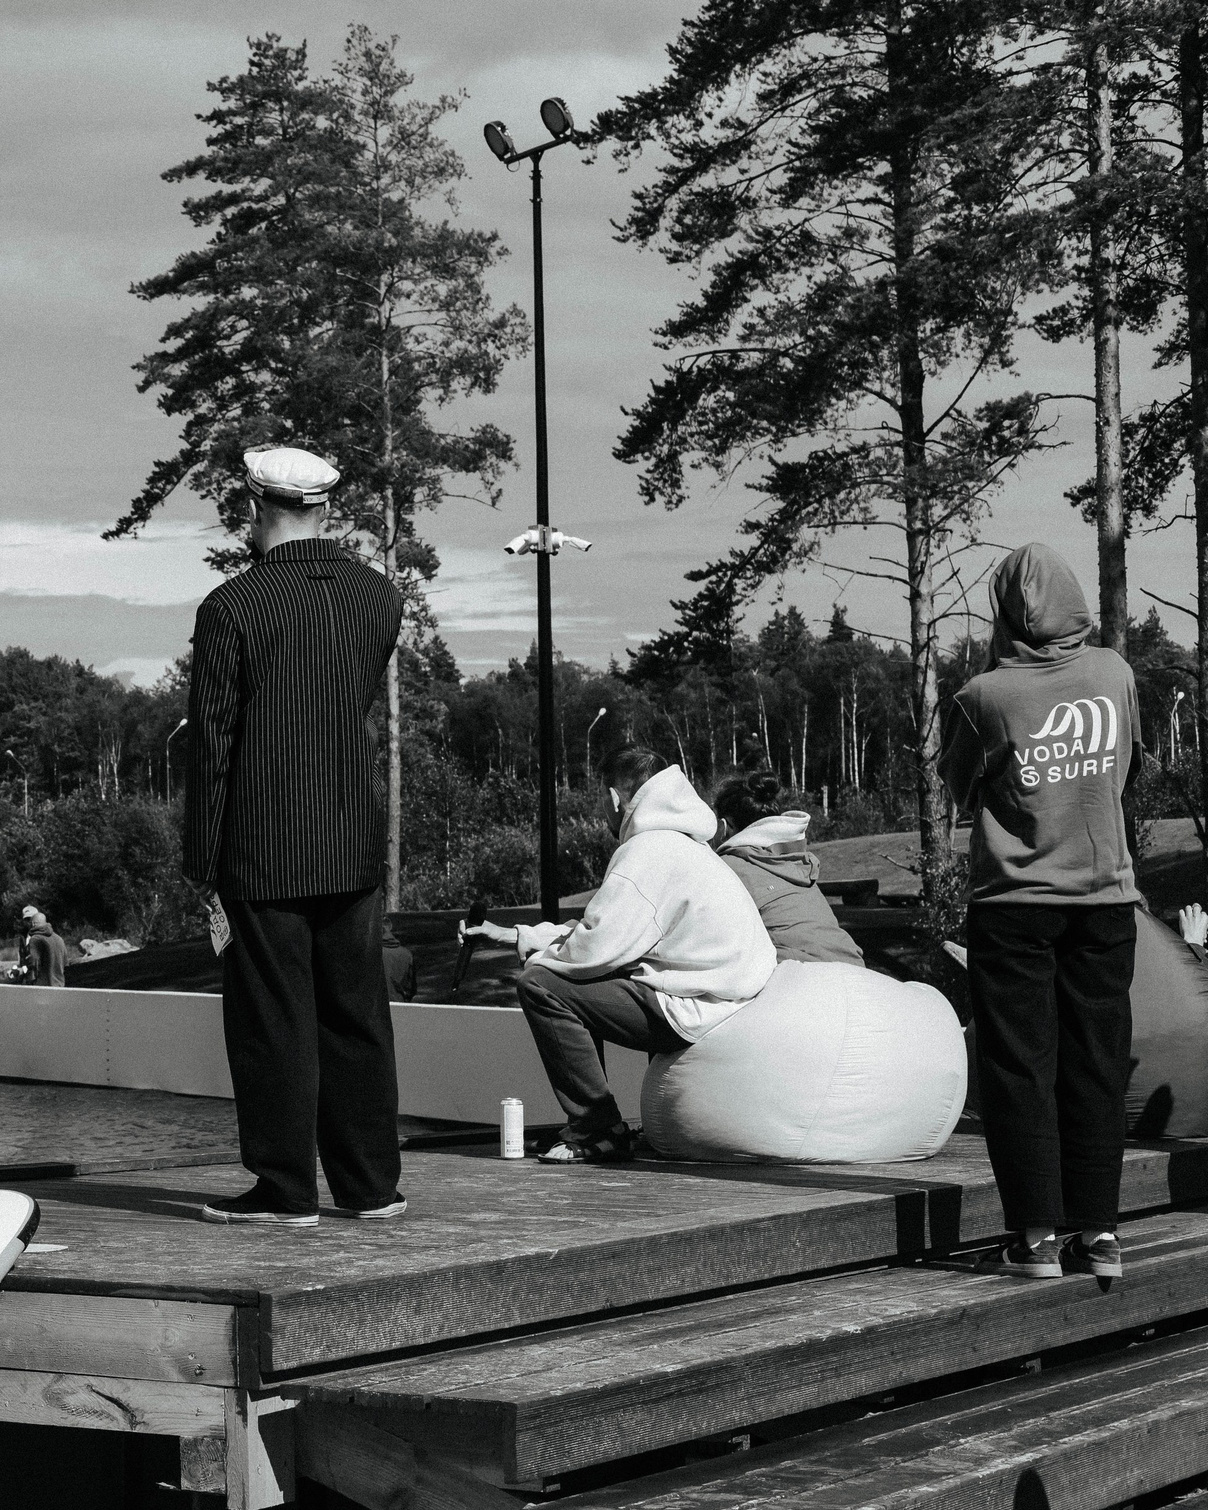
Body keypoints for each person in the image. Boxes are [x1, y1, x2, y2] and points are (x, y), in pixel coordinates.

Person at [184, 444, 405, 1226]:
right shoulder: (379, 597)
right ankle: (371, 1185)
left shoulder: (231, 608)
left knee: (274, 1023)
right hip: (351, 843)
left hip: (263, 848)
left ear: (254, 506)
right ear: (326, 508)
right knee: (357, 1015)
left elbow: (212, 747)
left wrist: (200, 862)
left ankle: (284, 1190)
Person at [938, 542, 1140, 1281]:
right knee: (1097, 1064)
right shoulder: (1115, 673)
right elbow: (1127, 770)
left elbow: (959, 788)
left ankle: (1035, 1239)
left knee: (1021, 1068)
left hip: (1014, 905)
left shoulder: (985, 695)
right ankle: (1102, 1234)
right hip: (1104, 896)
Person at [462, 749, 776, 1163]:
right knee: (564, 975)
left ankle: (596, 1127)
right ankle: (597, 1126)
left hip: (699, 1008)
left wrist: (536, 961)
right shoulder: (685, 845)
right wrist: (515, 936)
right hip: (730, 996)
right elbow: (605, 932)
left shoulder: (647, 851)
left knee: (541, 986)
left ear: (614, 799)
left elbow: (593, 950)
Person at [710, 770, 865, 967]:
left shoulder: (725, 867)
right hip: (855, 968)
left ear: (723, 827)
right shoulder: (797, 864)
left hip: (801, 982)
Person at [14, 907, 70, 986]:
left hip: (42, 987)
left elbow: (33, 965)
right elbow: (65, 964)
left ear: (33, 923)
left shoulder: (35, 939)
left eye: (30, 919)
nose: (28, 922)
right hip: (59, 985)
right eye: (26, 920)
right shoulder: (59, 939)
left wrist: (26, 981)